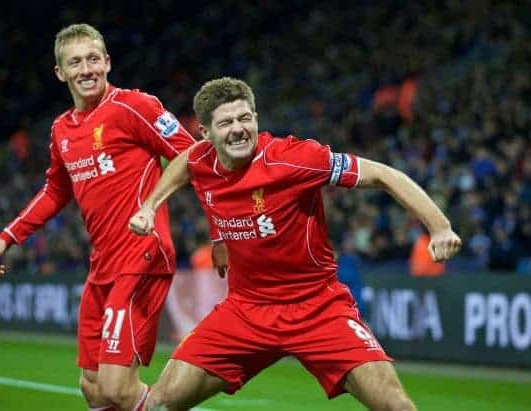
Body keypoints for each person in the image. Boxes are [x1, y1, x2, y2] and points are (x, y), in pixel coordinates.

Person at [129, 77, 462, 410]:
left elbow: (382, 175)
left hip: (317, 307)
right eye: (226, 122)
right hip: (246, 310)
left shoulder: (293, 158)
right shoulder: (201, 160)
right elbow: (185, 164)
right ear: (206, 133)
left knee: (396, 407)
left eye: (245, 118)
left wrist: (440, 226)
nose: (239, 129)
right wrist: (151, 206)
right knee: (159, 403)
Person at [0, 23, 196, 411]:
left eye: (93, 59)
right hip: (103, 266)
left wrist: (155, 207)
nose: (86, 69)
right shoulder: (61, 129)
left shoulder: (135, 106)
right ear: (60, 73)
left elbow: (192, 154)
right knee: (93, 386)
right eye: (75, 62)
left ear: (108, 62)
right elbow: (55, 191)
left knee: (116, 386)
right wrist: (7, 237)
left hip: (141, 256)